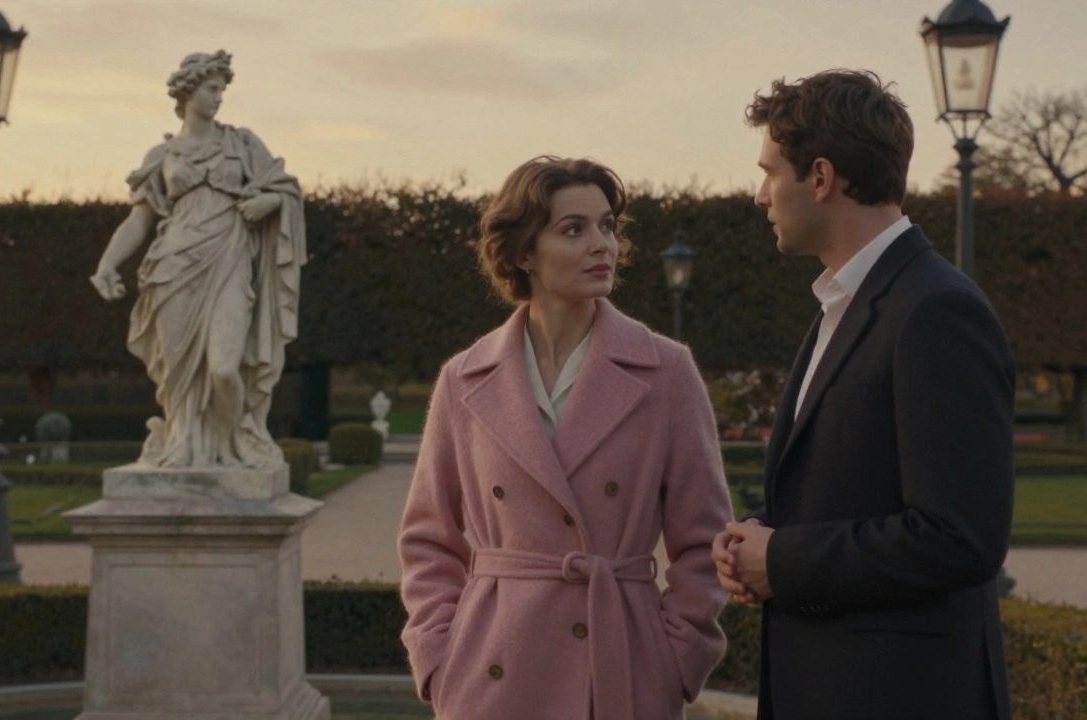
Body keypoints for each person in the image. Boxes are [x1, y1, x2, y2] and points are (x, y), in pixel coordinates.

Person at [713, 70, 1016, 720]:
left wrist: (784, 561)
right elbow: (845, 484)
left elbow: (959, 536)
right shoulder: (849, 302)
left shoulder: (935, 310)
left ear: (820, 178)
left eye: (770, 172)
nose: (761, 195)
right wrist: (757, 535)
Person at [398, 156, 733, 720]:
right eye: (573, 230)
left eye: (608, 226)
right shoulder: (465, 379)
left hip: (620, 667)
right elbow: (428, 539)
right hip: (490, 674)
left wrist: (676, 658)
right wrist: (437, 656)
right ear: (524, 252)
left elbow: (704, 541)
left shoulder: (666, 371)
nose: (602, 245)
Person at [89, 50, 306, 469]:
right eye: (212, 89)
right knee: (176, 376)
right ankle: (183, 444)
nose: (219, 98)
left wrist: (270, 200)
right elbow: (139, 221)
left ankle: (240, 438)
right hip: (173, 267)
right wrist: (106, 264)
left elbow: (289, 191)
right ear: (188, 92)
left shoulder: (242, 144)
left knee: (225, 367)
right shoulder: (162, 156)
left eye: (222, 90)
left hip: (228, 260)